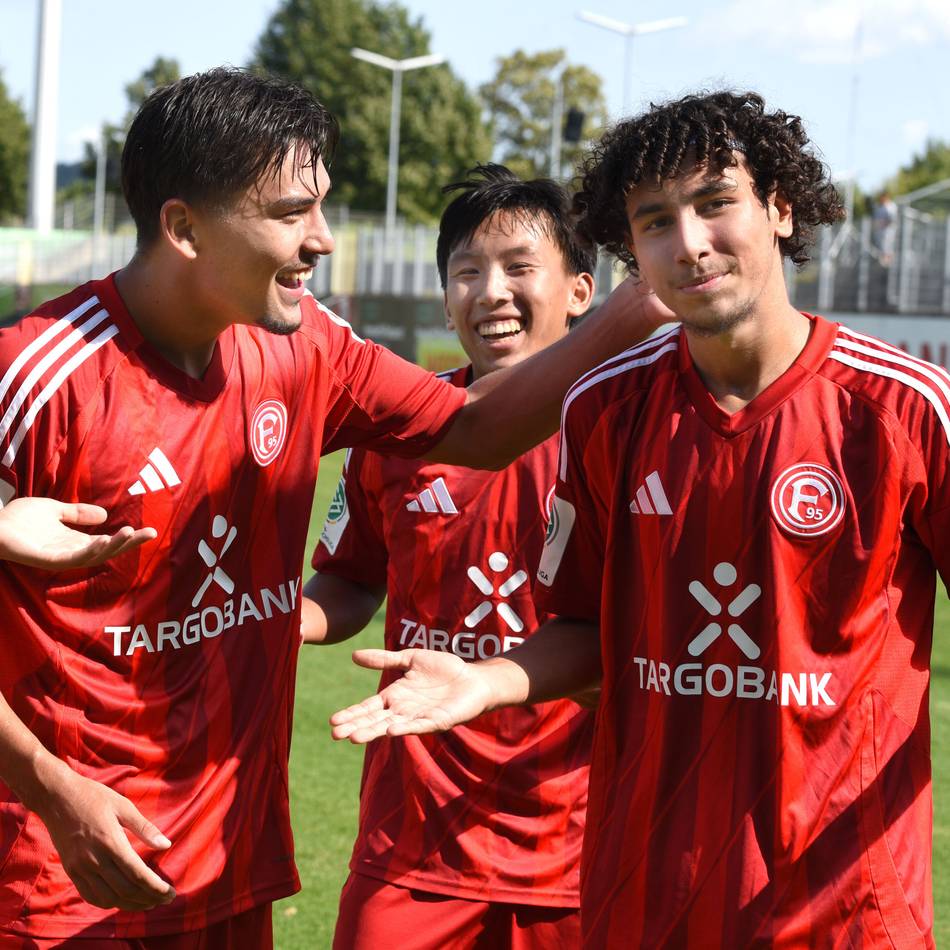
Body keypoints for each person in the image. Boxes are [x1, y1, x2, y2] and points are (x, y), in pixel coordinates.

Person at [0, 69, 670, 946]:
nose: (321, 239)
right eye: (289, 213)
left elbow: (476, 426)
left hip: (229, 860)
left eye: (319, 206)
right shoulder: (38, 371)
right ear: (183, 227)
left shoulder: (308, 347)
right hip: (67, 869)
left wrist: (634, 308)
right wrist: (50, 787)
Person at [331, 90, 950, 947]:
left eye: (715, 204)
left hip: (846, 914)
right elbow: (585, 625)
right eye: (656, 221)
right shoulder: (605, 411)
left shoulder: (902, 408)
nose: (689, 243)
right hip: (644, 899)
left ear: (778, 206)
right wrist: (489, 680)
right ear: (630, 250)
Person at [302, 163, 596, 949]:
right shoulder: (400, 433)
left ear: (581, 290)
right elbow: (348, 580)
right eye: (467, 271)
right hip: (412, 844)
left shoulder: (627, 433)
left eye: (519, 267)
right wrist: (273, 617)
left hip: (578, 852)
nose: (490, 291)